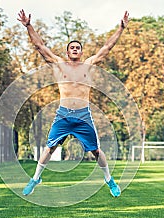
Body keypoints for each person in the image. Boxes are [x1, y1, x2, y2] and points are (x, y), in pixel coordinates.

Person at [18, 9, 129, 197]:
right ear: (68, 51)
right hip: (63, 114)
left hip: (83, 116)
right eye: (72, 47)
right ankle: (36, 178)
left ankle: (109, 180)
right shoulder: (59, 64)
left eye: (78, 47)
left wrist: (121, 28)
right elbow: (40, 46)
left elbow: (107, 48)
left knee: (95, 151)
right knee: (49, 148)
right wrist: (28, 25)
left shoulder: (89, 65)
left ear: (82, 51)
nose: (75, 50)